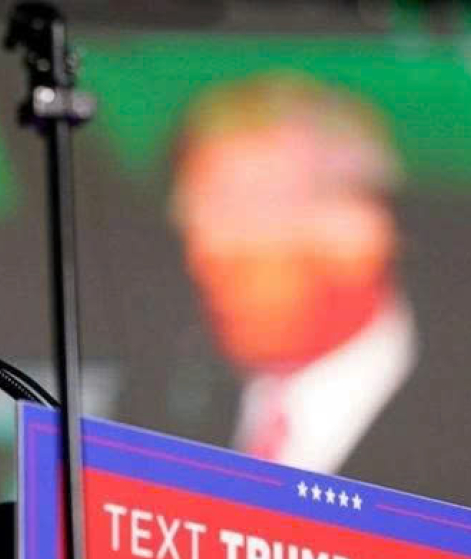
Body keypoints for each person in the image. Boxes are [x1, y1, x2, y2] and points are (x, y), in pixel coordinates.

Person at [170, 72, 417, 475]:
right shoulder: (173, 413)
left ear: (360, 229)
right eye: (193, 226)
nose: (203, 257)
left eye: (245, 218)